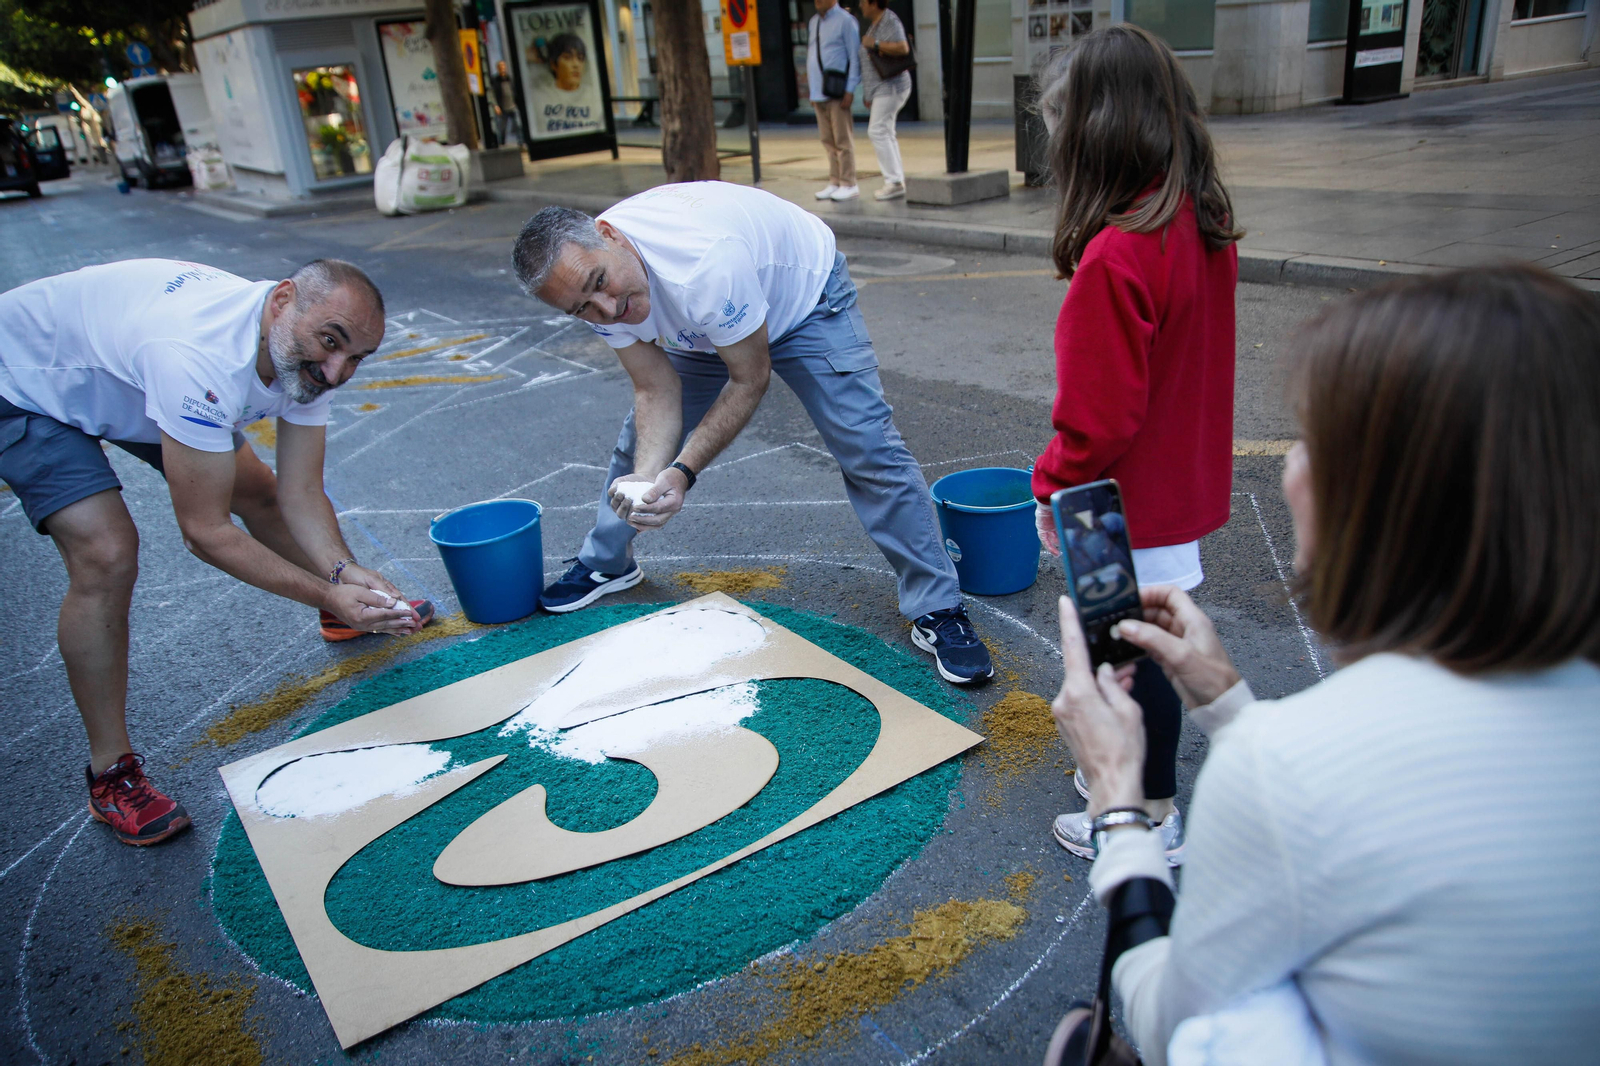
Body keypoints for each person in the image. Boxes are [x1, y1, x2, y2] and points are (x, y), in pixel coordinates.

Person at [1047, 264, 1600, 1066]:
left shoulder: (1285, 773)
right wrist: (1225, 702)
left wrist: (1118, 805)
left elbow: (1172, 1022)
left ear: (1384, 507)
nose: (1289, 468)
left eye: (1313, 439)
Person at [0, 259, 433, 846]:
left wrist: (343, 572)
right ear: (283, 301)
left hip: (122, 374)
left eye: (356, 357)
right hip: (25, 383)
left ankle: (348, 608)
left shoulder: (304, 348)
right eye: (332, 345)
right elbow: (204, 532)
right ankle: (111, 773)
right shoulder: (199, 359)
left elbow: (298, 490)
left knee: (255, 490)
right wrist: (327, 587)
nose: (337, 371)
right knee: (106, 551)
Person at [511, 185, 995, 685]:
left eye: (601, 283)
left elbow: (749, 377)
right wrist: (646, 478)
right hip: (702, 322)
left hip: (804, 301)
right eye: (583, 308)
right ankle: (607, 562)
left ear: (609, 235)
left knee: (867, 446)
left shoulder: (703, 263)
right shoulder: (592, 288)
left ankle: (937, 607)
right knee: (637, 448)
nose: (608, 310)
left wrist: (681, 472)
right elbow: (655, 389)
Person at [1029, 26, 1241, 866]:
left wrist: (1050, 487)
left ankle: (1149, 812)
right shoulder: (1199, 215)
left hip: (1124, 500)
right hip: (1174, 477)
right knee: (1153, 637)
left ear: (1092, 135)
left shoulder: (1116, 258)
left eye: (1056, 127)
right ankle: (1138, 786)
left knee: (1132, 648)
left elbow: (1097, 420)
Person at [858, 0, 913, 201]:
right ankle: (896, 179)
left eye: (863, 1)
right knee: (886, 131)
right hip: (883, 87)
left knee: (877, 130)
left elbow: (902, 47)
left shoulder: (889, 20)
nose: (860, 5)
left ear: (874, 3)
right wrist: (868, 94)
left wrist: (876, 43)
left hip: (891, 85)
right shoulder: (877, 23)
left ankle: (894, 182)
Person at [808, 0, 861, 202]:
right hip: (818, 91)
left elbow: (854, 57)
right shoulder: (814, 22)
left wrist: (850, 89)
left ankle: (849, 182)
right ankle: (835, 180)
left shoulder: (846, 21)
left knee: (842, 140)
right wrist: (812, 92)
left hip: (836, 91)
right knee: (827, 140)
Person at [491, 59, 521, 146]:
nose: (502, 68)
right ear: (497, 68)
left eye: (504, 66)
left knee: (518, 125)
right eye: (500, 67)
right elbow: (492, 94)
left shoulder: (509, 78)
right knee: (502, 128)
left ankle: (521, 143)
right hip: (502, 107)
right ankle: (502, 144)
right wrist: (495, 105)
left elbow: (514, 91)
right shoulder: (495, 80)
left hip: (512, 106)